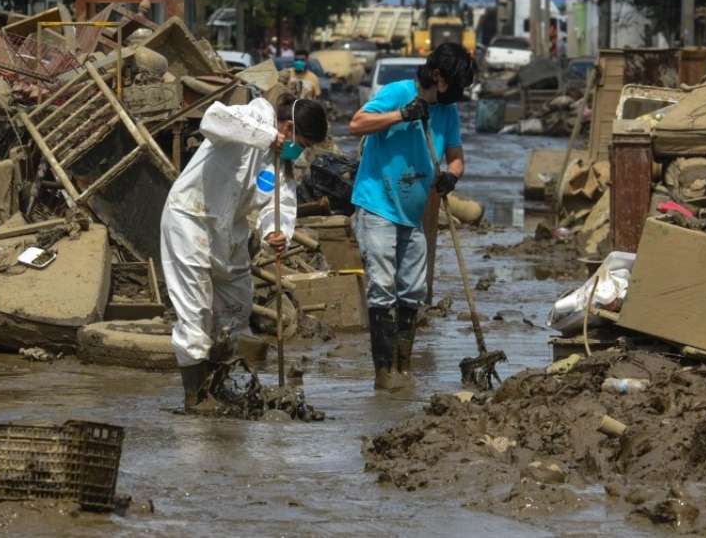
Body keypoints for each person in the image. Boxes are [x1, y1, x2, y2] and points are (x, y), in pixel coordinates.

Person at [160, 93, 329, 412]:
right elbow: (212, 120)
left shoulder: (280, 166)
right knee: (195, 311)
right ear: (287, 127)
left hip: (228, 233)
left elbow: (280, 205)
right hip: (190, 219)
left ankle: (218, 383)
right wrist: (266, 137)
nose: (300, 151)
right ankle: (195, 397)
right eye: (302, 143)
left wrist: (276, 233)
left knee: (236, 309)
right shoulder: (252, 117)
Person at [348, 43, 476, 391]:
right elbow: (356, 124)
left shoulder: (447, 112)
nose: (459, 93)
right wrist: (402, 115)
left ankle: (403, 368)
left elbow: (456, 157)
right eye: (457, 84)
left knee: (414, 289)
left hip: (414, 212)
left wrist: (452, 175)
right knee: (382, 286)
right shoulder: (397, 93)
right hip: (378, 203)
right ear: (438, 77)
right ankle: (383, 372)